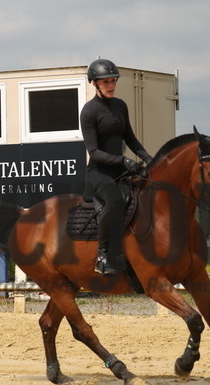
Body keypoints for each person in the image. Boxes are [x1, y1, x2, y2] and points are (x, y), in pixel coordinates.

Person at [80, 59, 153, 276]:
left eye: (113, 81)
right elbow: (93, 152)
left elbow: (130, 138)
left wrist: (149, 159)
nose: (111, 85)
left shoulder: (120, 105)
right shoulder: (89, 111)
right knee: (115, 201)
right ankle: (102, 255)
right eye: (106, 82)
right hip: (98, 173)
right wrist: (123, 161)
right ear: (95, 84)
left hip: (120, 171)